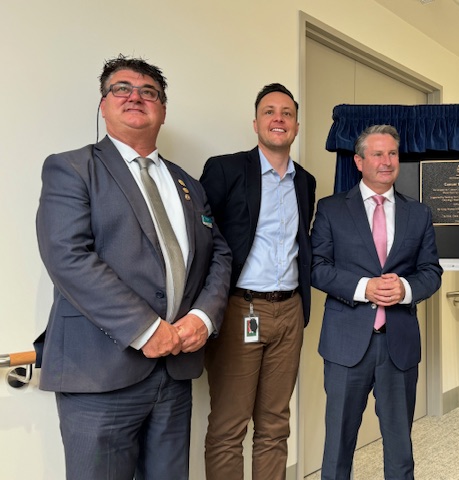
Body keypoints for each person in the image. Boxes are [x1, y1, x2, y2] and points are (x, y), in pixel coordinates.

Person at [35, 55, 232, 480]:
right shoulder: (72, 169)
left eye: (149, 92)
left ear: (162, 110)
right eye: (121, 88)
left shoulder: (187, 183)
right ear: (103, 104)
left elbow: (219, 253)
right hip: (100, 374)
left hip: (175, 373)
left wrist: (203, 316)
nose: (136, 97)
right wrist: (146, 328)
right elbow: (68, 256)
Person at [311, 124, 443, 479]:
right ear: (358, 161)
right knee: (338, 444)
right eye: (378, 154)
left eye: (393, 154)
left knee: (401, 448)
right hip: (345, 345)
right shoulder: (332, 209)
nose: (387, 162)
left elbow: (431, 271)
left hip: (398, 344)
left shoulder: (419, 213)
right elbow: (316, 268)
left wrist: (405, 288)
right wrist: (363, 287)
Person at [199, 83, 316, 480]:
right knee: (230, 427)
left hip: (290, 312)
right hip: (238, 310)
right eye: (269, 111)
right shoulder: (226, 169)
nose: (278, 118)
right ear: (255, 123)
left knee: (275, 426)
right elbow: (202, 240)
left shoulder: (305, 181)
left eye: (286, 112)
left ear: (297, 126)